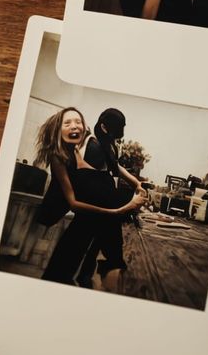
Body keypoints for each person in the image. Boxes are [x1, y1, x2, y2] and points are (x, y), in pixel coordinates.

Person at [35, 104, 146, 289]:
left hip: (90, 217)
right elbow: (75, 202)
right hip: (69, 210)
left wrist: (134, 184)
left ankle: (87, 276)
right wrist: (122, 209)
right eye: (67, 123)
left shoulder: (87, 146)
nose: (75, 126)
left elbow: (112, 167)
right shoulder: (62, 157)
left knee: (67, 268)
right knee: (63, 269)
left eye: (78, 121)